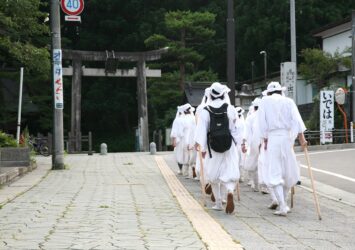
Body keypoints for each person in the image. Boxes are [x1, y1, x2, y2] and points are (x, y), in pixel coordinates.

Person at [257, 81, 307, 216]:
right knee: (287, 170)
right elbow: (297, 120)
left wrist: (264, 138)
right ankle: (283, 202)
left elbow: (261, 123)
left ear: (268, 92)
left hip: (273, 138)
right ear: (280, 91)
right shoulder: (289, 101)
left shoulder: (264, 101)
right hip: (286, 138)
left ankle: (283, 205)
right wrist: (301, 138)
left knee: (274, 171)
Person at [195, 82, 240, 214]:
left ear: (210, 94)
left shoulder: (205, 110)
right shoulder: (230, 108)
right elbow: (234, 129)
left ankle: (219, 203)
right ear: (223, 94)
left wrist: (201, 148)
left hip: (212, 146)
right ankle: (230, 191)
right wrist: (238, 143)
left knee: (213, 174)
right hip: (228, 144)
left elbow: (202, 131)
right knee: (229, 170)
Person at [242, 98, 262, 192]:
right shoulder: (265, 115)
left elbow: (246, 132)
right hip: (266, 141)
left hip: (254, 142)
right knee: (265, 163)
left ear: (254, 107)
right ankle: (265, 185)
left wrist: (244, 143)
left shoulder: (250, 117)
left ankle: (256, 184)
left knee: (254, 163)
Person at [170, 105, 190, 175]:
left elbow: (174, 132)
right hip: (188, 139)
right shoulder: (188, 119)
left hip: (180, 140)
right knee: (186, 154)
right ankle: (187, 170)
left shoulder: (177, 120)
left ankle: (180, 170)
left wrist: (173, 141)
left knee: (179, 155)